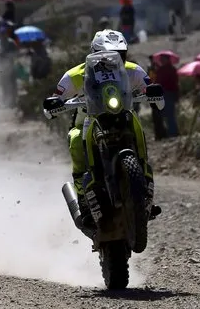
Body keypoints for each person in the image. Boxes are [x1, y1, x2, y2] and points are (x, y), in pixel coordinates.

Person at [51, 29, 161, 231]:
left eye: (119, 54)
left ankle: (144, 190)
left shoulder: (132, 70)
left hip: (122, 113)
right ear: (94, 53)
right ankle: (84, 200)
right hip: (88, 118)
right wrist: (55, 102)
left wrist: (153, 92)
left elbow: (148, 86)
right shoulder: (77, 74)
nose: (113, 59)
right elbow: (57, 94)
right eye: (106, 55)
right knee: (76, 140)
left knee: (138, 129)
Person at [0, 21, 19, 107]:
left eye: (3, 33)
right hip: (2, 68)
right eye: (1, 33)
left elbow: (16, 53)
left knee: (12, 85)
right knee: (4, 85)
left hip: (10, 66)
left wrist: (7, 55)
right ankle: (6, 101)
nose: (2, 35)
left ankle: (13, 101)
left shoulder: (11, 42)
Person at [155, 54, 180, 137]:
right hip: (165, 94)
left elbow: (174, 83)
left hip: (168, 93)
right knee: (167, 115)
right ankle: (172, 132)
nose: (161, 60)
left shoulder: (168, 69)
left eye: (163, 59)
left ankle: (173, 133)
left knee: (169, 115)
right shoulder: (164, 69)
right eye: (161, 59)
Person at [147, 55, 167, 140]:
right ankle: (159, 134)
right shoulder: (152, 69)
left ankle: (160, 134)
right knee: (156, 116)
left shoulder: (156, 69)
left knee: (158, 116)